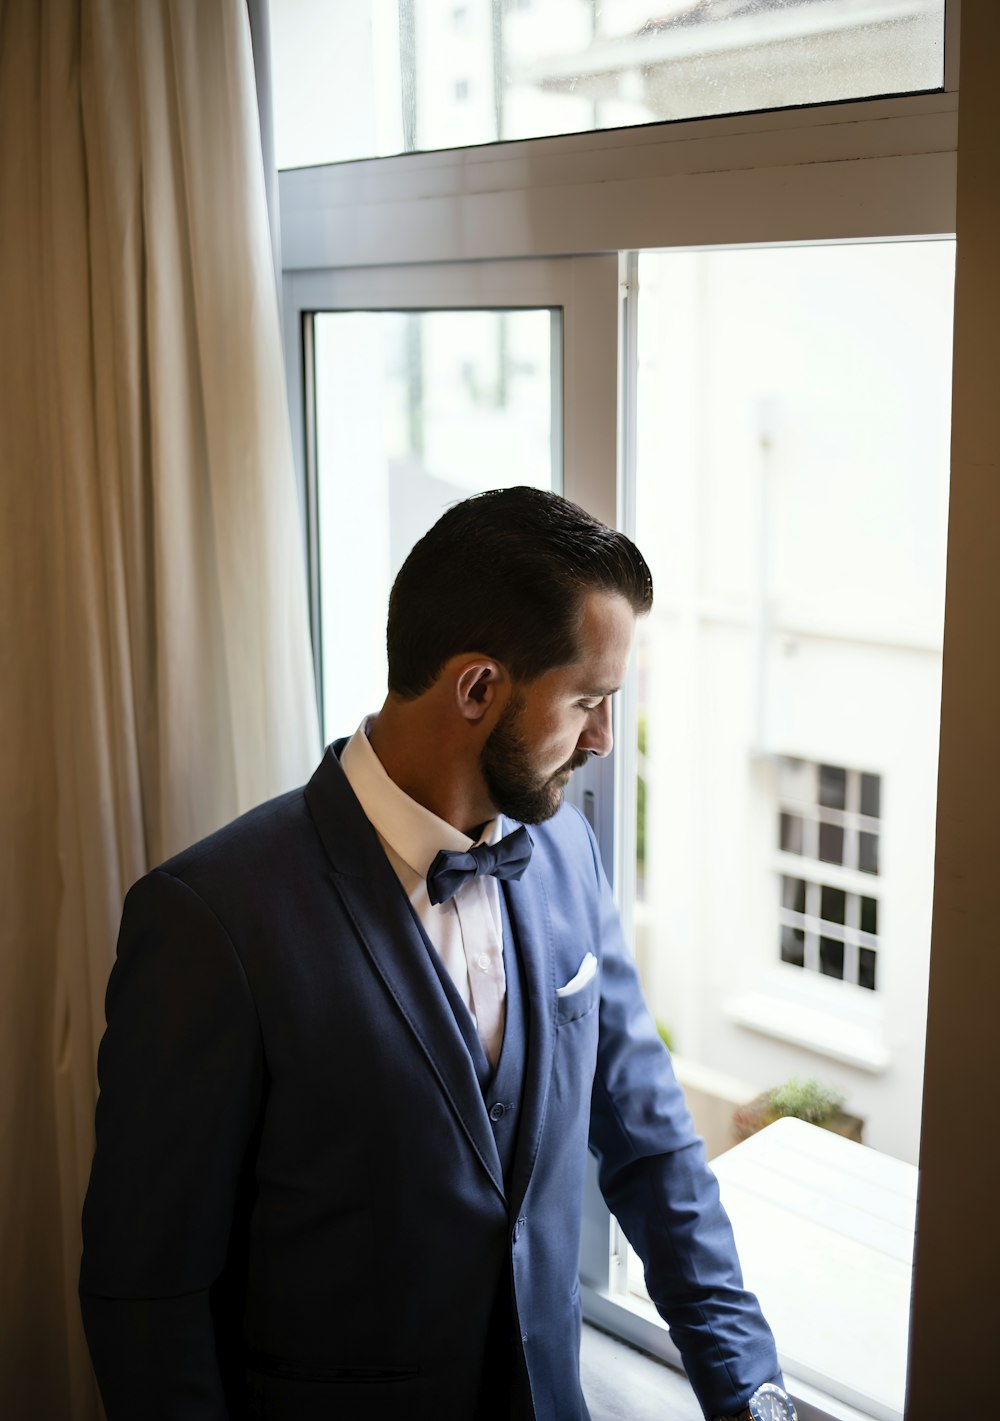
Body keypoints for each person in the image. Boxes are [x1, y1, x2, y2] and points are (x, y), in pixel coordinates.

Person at [80, 487, 795, 1421]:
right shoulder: (207, 922)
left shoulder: (568, 853)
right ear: (476, 688)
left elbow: (653, 1148)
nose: (604, 740)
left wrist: (750, 1389)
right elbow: (148, 1296)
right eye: (588, 700)